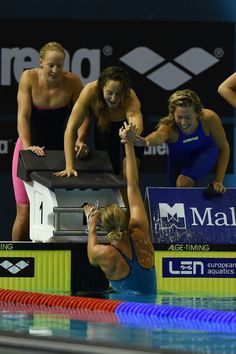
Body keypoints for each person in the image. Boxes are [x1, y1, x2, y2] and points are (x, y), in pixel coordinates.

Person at [12, 41, 86, 241]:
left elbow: (84, 115)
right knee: (24, 213)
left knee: (54, 213)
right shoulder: (28, 78)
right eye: (50, 65)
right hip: (27, 149)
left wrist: (80, 138)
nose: (55, 70)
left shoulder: (73, 82)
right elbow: (23, 117)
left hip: (58, 154)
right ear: (41, 62)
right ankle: (12, 263)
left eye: (60, 65)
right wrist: (28, 149)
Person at [83, 122, 157, 294]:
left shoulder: (103, 253)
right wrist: (129, 144)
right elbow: (132, 184)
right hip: (154, 313)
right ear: (125, 218)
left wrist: (91, 224)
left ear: (103, 226)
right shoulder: (141, 233)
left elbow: (90, 256)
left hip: (123, 314)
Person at [131, 89, 230, 193]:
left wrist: (218, 181)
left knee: (183, 183)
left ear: (197, 113)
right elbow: (159, 136)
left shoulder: (209, 118)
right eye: (179, 117)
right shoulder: (170, 128)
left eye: (188, 117)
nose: (183, 122)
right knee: (176, 196)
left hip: (206, 152)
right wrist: (146, 141)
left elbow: (224, 148)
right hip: (178, 160)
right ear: (173, 114)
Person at [55, 66, 144, 179]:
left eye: (118, 94)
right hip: (105, 124)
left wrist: (132, 132)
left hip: (127, 128)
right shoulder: (90, 91)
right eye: (109, 93)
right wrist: (69, 166)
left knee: (130, 173)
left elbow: (136, 122)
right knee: (110, 171)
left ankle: (129, 195)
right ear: (101, 88)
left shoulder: (130, 97)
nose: (114, 98)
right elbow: (71, 129)